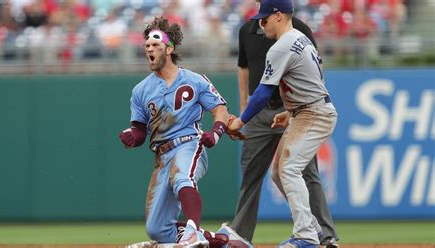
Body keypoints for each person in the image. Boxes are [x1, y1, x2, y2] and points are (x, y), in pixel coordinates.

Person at [225, 0, 340, 247]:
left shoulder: (282, 46)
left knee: (290, 170)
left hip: (313, 114)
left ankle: (306, 236)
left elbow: (264, 92)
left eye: (264, 18)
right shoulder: (299, 37)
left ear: (278, 16)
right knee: (279, 172)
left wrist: (241, 120)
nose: (261, 23)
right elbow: (309, 79)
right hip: (305, 110)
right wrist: (290, 111)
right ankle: (312, 229)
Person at [119, 16, 229, 247]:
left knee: (183, 178)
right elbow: (140, 131)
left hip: (189, 143)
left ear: (169, 48)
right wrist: (132, 136)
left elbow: (220, 109)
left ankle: (193, 232)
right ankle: (221, 240)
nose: (149, 49)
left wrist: (216, 132)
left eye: (155, 45)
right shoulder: (141, 90)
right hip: (161, 155)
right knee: (157, 228)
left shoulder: (194, 80)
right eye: (147, 45)